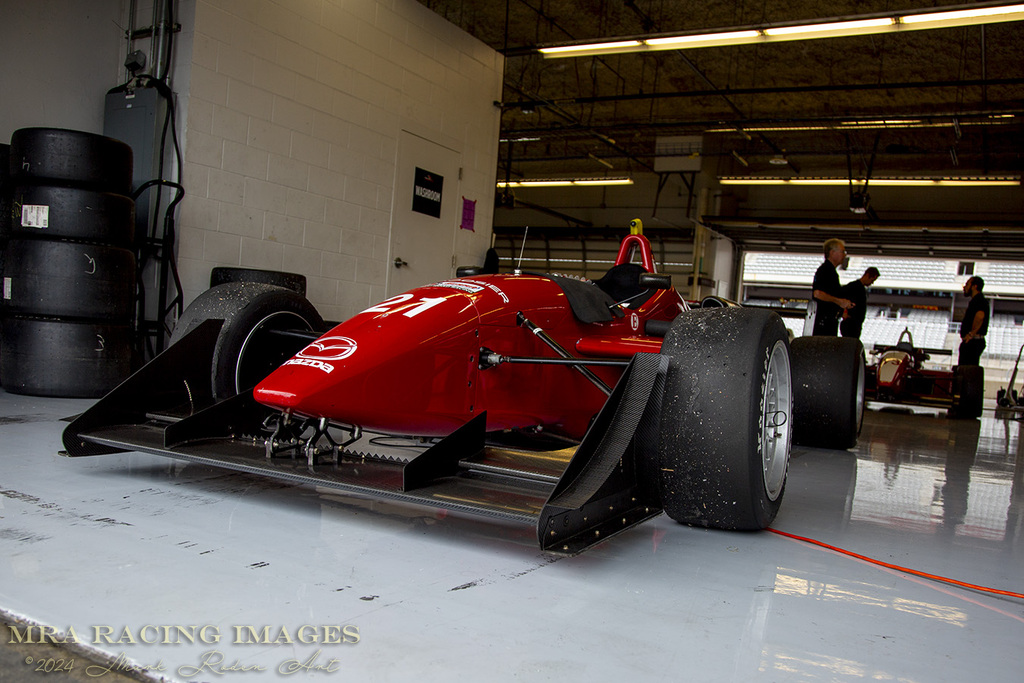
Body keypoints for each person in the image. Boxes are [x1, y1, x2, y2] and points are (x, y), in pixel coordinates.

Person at [811, 238, 854, 336]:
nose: (844, 255)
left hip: (828, 322)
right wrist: (839, 301)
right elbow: (817, 294)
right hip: (823, 324)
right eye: (842, 251)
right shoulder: (825, 270)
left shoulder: (831, 271)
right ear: (832, 252)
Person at [840, 266, 880, 339]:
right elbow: (840, 297)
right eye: (872, 280)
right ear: (867, 275)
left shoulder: (861, 289)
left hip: (856, 324)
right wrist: (844, 311)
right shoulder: (853, 286)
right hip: (850, 324)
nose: (872, 283)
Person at [958, 276, 989, 366]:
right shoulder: (977, 301)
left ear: (974, 286)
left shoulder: (978, 301)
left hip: (972, 343)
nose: (965, 287)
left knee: (967, 371)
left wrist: (971, 334)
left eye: (967, 284)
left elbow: (980, 317)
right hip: (973, 342)